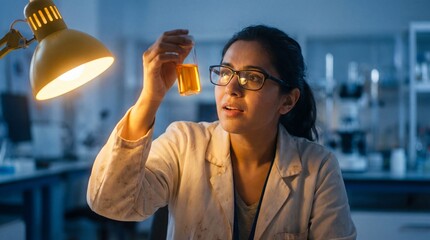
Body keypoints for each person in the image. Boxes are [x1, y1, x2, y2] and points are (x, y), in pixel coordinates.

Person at [87, 25, 357, 240]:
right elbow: (110, 202)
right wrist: (150, 97)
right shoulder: (184, 144)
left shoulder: (318, 168)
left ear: (287, 101)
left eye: (252, 77)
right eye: (225, 72)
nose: (231, 89)